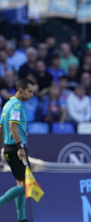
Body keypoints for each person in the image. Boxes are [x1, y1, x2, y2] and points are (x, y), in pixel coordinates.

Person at [0, 78, 34, 222]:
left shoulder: (6, 105)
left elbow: (0, 130)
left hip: (8, 148)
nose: (31, 95)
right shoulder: (16, 105)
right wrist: (21, 147)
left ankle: (21, 218)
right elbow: (12, 126)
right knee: (28, 184)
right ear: (20, 90)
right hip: (17, 148)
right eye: (29, 91)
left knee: (20, 183)